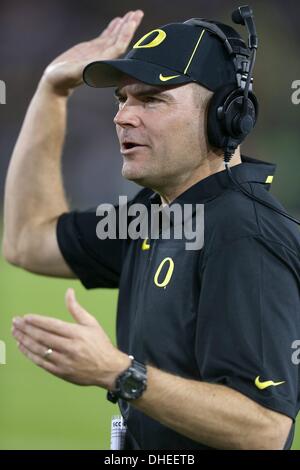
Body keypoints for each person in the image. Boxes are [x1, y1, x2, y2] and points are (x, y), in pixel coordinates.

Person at [3, 9, 300, 450]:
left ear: (226, 115)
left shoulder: (244, 234)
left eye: (152, 99)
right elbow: (27, 239)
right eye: (122, 99)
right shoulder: (161, 214)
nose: (123, 116)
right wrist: (53, 89)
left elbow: (264, 428)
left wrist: (120, 373)